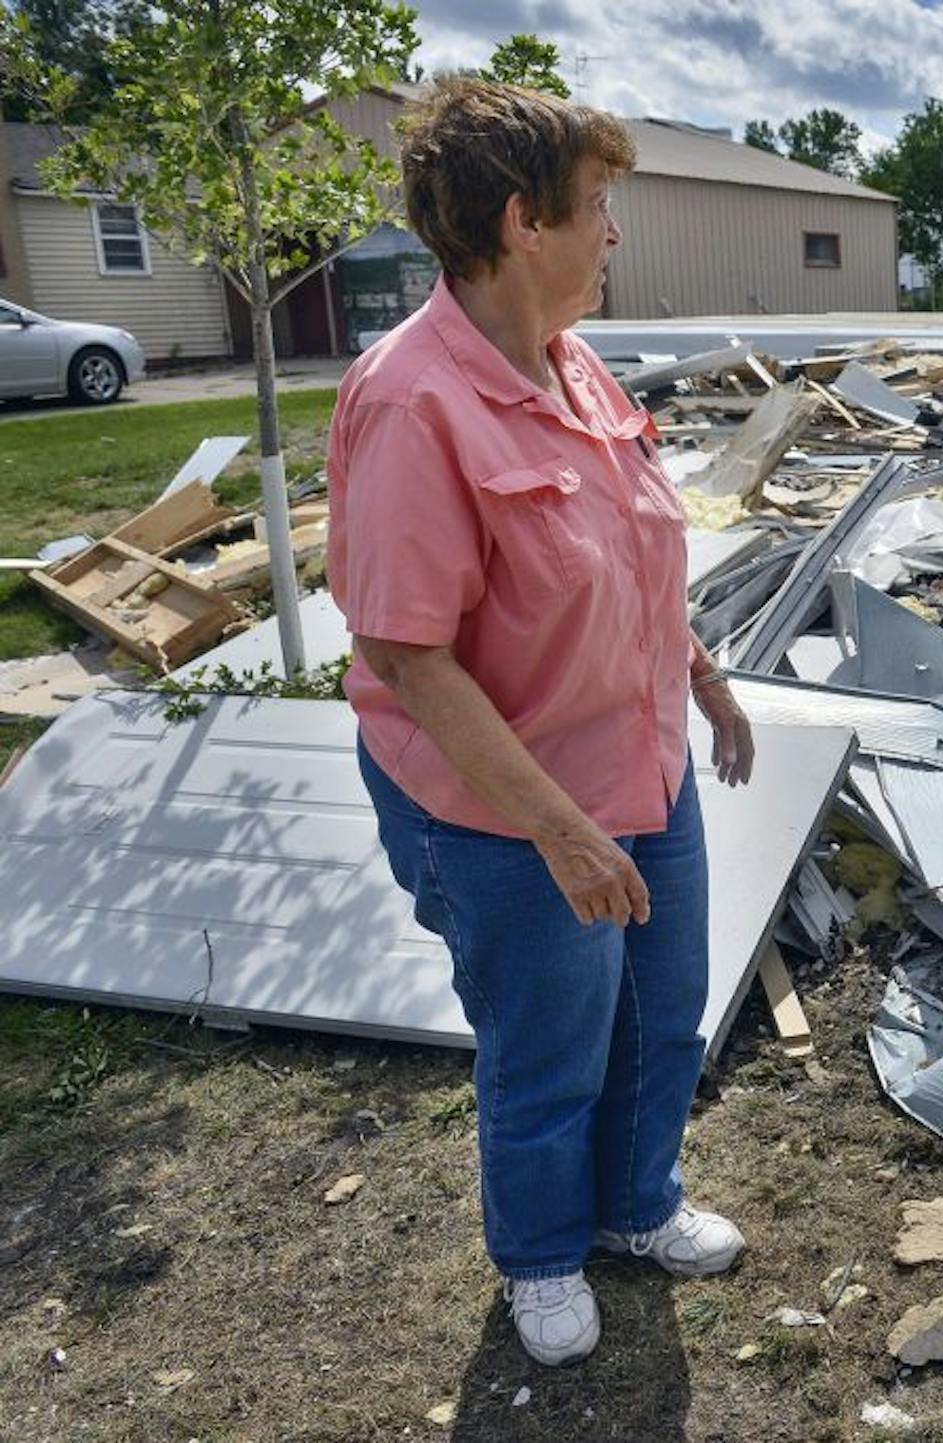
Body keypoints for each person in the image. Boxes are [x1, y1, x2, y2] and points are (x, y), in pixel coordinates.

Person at [326, 79, 757, 1368]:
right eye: (599, 207)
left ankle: (635, 1209)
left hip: (638, 766)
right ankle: (540, 1256)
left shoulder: (573, 366)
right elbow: (407, 650)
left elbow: (628, 558)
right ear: (524, 223)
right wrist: (561, 833)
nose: (612, 234)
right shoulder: (414, 401)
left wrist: (706, 681)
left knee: (662, 1011)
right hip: (507, 805)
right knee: (551, 1041)